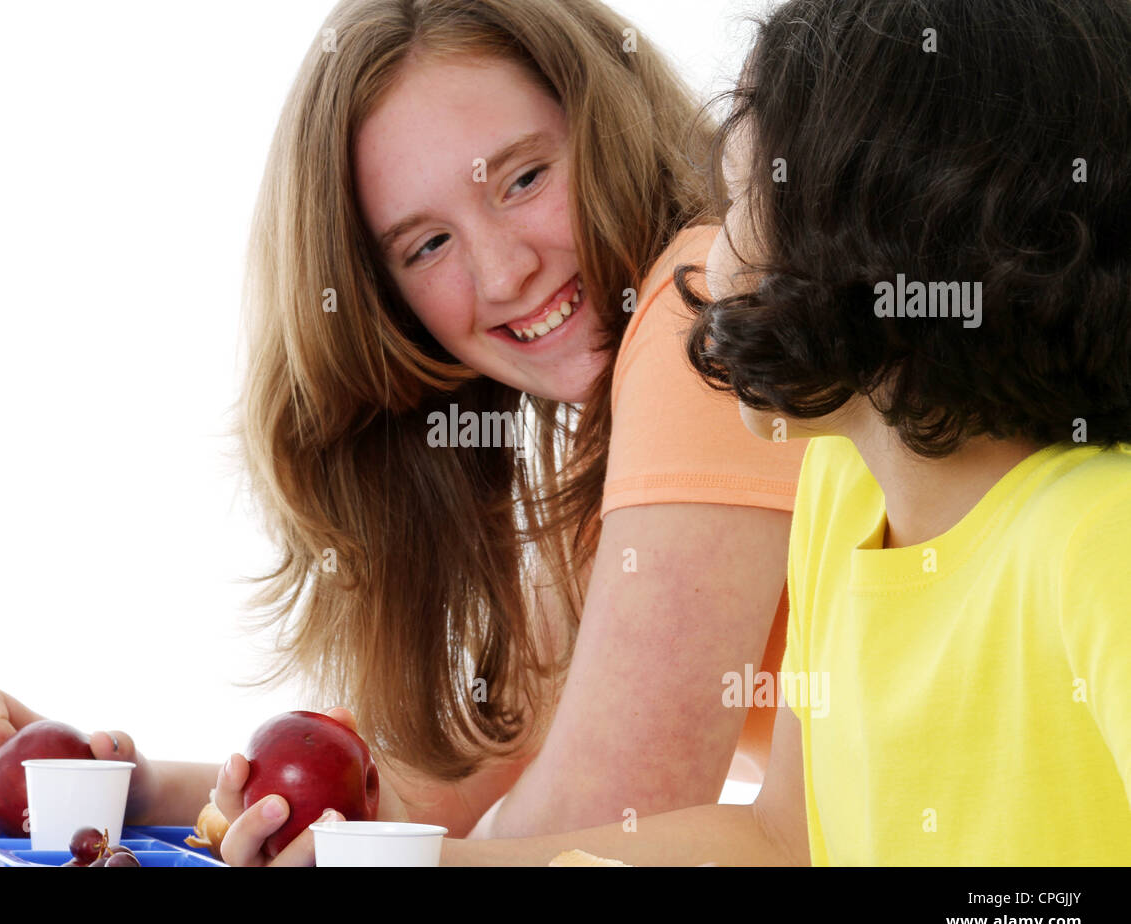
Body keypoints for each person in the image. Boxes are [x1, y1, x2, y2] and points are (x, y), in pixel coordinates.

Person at [0, 0, 807, 858]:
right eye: (427, 246)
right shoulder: (605, 458)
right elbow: (428, 789)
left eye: (525, 177)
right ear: (388, 304)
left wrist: (379, 865)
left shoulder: (701, 311)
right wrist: (116, 792)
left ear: (610, 126)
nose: (504, 273)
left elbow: (601, 823)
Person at [370, 0, 1130, 866]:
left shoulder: (1102, 537)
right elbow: (781, 839)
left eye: (736, 205)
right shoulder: (841, 498)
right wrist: (414, 861)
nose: (704, 270)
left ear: (886, 233)